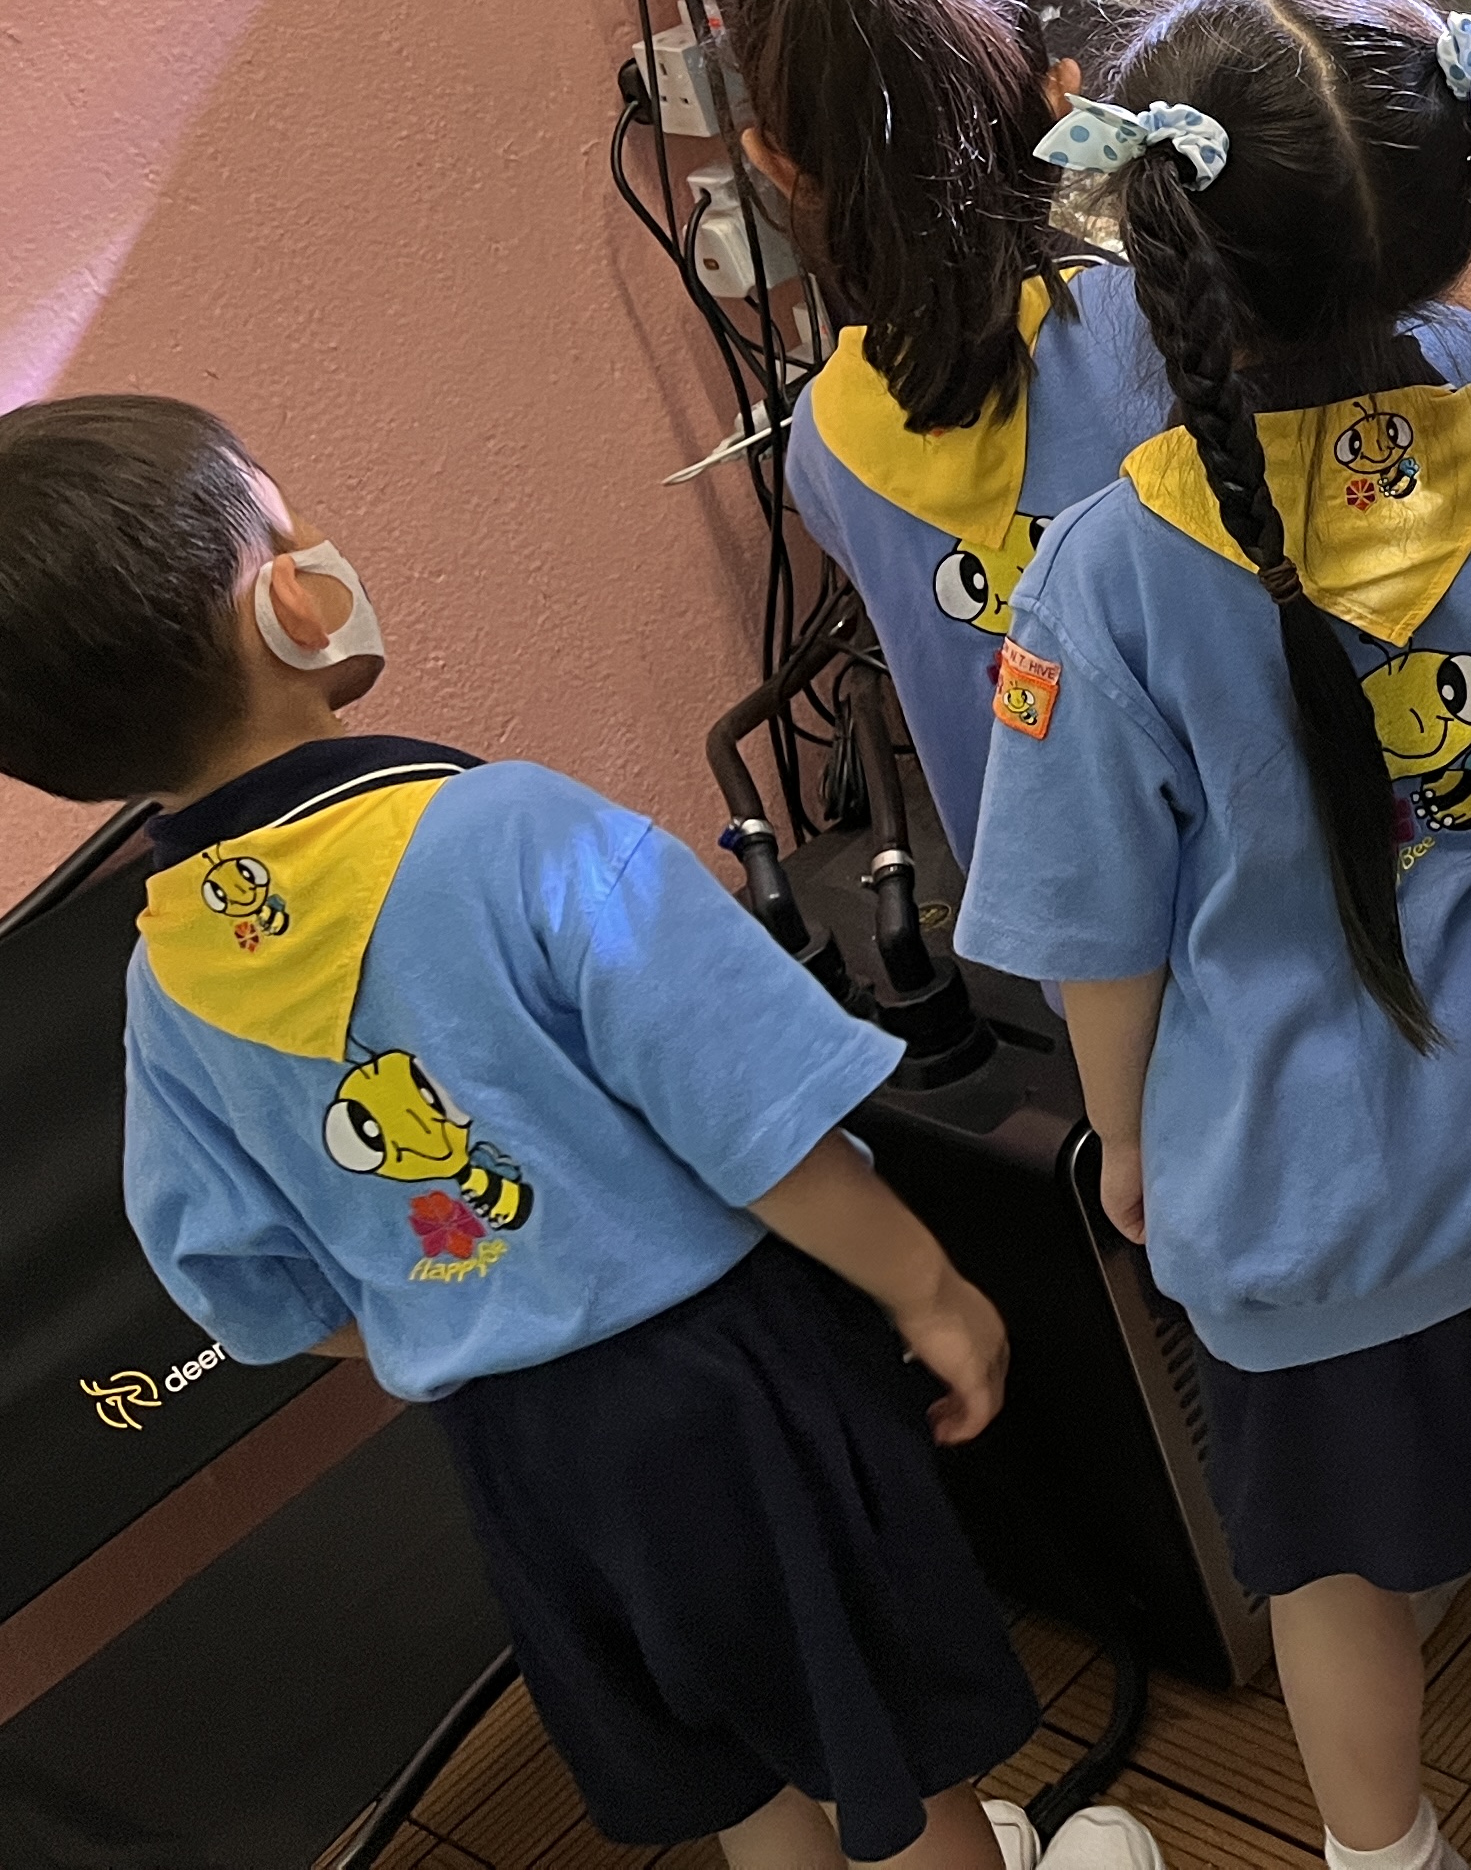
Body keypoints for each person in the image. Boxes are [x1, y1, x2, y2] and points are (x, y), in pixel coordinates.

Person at [7, 393, 1152, 1870]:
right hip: (735, 1386)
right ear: (285, 604)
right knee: (890, 1745)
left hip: (520, 1448)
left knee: (741, 1762)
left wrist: (459, 1299)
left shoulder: (168, 980)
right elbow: (758, 1122)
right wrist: (930, 1292)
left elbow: (239, 1285)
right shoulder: (515, 834)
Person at [955, 0, 1471, 1870]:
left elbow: (1097, 935)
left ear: (1160, 248)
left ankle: (1381, 1845)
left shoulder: (1102, 572)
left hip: (1286, 1199)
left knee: (1324, 1573)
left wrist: (1126, 1137)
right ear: (1454, 214)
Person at [716, 0, 1471, 865]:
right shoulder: (1168, 327)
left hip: (1049, 914)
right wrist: (1391, 126)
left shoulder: (821, 445)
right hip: (1266, 885)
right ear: (1064, 100)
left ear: (775, 167)